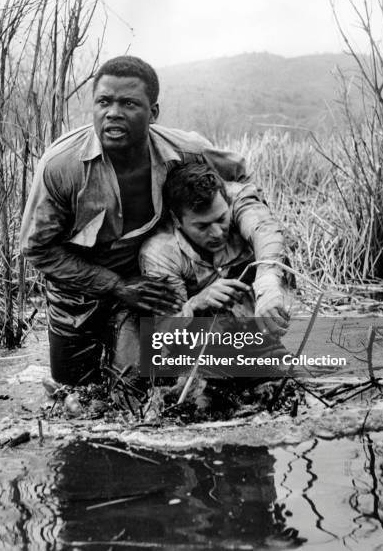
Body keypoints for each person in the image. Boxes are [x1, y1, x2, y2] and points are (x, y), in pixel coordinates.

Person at [20, 56, 249, 386]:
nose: (113, 112)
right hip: (77, 289)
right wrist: (115, 286)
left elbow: (242, 181)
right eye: (104, 102)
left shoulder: (186, 150)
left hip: (150, 281)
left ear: (153, 113)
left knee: (143, 385)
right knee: (73, 397)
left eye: (128, 103)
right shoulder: (61, 166)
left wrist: (249, 250)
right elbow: (37, 249)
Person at [139, 162, 291, 360]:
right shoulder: (159, 252)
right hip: (201, 344)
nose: (218, 233)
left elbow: (265, 230)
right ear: (177, 220)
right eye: (202, 227)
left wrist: (268, 282)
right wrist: (196, 303)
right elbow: (163, 334)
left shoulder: (237, 198)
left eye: (221, 219)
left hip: (251, 323)